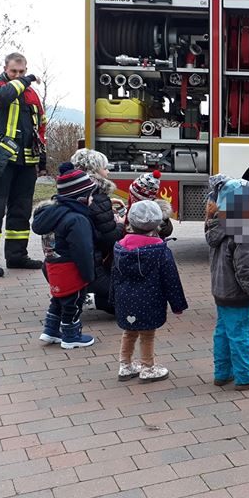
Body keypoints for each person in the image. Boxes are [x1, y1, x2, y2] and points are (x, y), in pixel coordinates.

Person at [0, 52, 47, 276]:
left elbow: (41, 124)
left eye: (22, 72)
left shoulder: (32, 94)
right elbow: (4, 95)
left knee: (21, 210)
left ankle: (17, 256)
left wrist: (42, 152)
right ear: (5, 69)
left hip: (26, 161)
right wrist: (24, 81)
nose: (18, 76)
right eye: (13, 72)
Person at [205, 178, 249, 390]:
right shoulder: (247, 230)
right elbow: (248, 269)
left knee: (224, 331)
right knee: (241, 334)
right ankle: (247, 376)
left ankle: (223, 372)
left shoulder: (218, 224)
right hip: (239, 294)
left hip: (221, 290)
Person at [111, 200, 189, 383]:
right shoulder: (160, 250)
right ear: (157, 224)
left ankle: (125, 366)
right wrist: (177, 305)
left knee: (129, 332)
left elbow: (114, 276)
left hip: (124, 300)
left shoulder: (119, 247)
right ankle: (147, 367)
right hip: (150, 300)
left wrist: (112, 299)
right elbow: (171, 279)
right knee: (147, 335)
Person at [32, 163, 97, 349]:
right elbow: (83, 250)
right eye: (91, 196)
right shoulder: (77, 219)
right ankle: (71, 336)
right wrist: (88, 274)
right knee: (74, 303)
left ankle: (51, 330)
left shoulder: (53, 215)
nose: (93, 199)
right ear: (81, 198)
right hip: (71, 269)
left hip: (54, 266)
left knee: (58, 299)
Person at [70, 148, 126, 314]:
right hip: (90, 267)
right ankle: (81, 298)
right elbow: (109, 239)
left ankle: (73, 293)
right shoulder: (98, 196)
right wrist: (121, 223)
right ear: (94, 170)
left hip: (67, 261)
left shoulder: (72, 190)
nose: (108, 171)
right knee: (126, 302)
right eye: (105, 167)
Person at [127, 170, 174, 238]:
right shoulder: (156, 210)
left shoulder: (155, 213)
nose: (131, 198)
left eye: (133, 196)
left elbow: (167, 230)